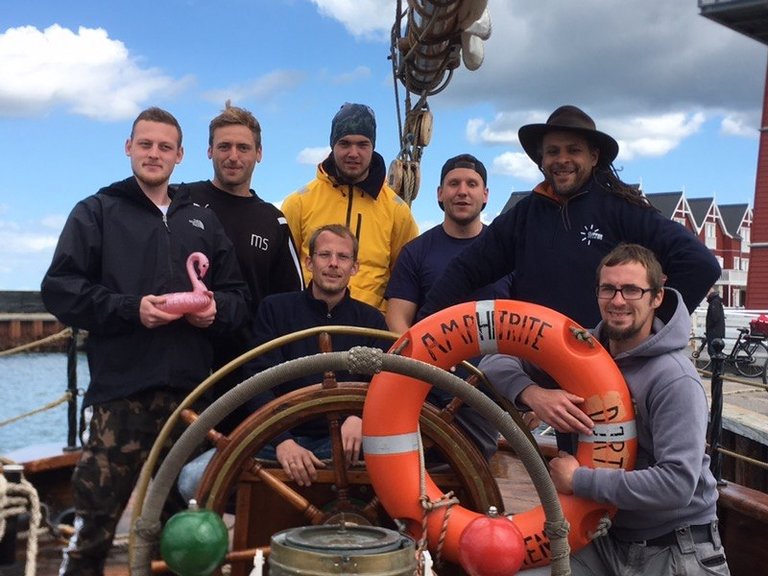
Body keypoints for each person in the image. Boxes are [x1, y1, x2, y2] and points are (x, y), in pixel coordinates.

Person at [41, 107, 250, 576]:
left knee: (189, 530)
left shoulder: (202, 220)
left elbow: (239, 299)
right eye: (145, 144)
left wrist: (216, 312)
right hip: (121, 396)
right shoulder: (96, 211)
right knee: (95, 522)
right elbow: (59, 288)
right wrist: (129, 309)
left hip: (191, 398)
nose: (154, 153)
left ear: (179, 155)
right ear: (129, 147)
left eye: (164, 147)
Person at [483, 244, 730, 575]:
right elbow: (494, 359)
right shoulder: (578, 352)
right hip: (604, 540)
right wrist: (534, 394)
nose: (617, 301)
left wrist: (579, 480)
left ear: (657, 296)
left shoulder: (675, 379)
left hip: (674, 550)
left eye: (631, 290)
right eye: (608, 289)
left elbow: (678, 484)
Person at [419, 105, 720, 328]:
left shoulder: (622, 209)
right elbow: (465, 271)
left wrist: (651, 328)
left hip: (604, 370)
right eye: (552, 152)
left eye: (573, 150)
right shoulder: (522, 216)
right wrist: (420, 330)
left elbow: (700, 265)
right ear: (542, 160)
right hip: (533, 372)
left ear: (593, 157)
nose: (562, 160)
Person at [178, 224, 388, 496]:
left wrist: (361, 418)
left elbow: (386, 385)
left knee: (407, 475)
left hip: (347, 444)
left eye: (343, 257)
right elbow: (257, 380)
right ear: (309, 262)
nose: (333, 264)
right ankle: (253, 523)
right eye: (325, 255)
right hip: (278, 437)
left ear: (355, 267)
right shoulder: (275, 309)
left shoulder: (372, 321)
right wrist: (281, 440)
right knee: (191, 480)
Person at [384, 153, 515, 457]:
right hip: (431, 387)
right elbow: (397, 319)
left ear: (485, 195)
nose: (462, 191)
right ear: (440, 194)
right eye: (453, 184)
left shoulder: (511, 254)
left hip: (494, 386)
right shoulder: (416, 252)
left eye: (472, 184)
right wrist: (425, 362)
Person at [181, 102, 304, 396]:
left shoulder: (273, 222)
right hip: (183, 360)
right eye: (224, 147)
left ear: (258, 154)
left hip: (245, 370)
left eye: (243, 148)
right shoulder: (180, 201)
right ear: (209, 150)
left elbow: (290, 304)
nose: (233, 157)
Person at [281, 103, 419, 313]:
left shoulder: (398, 212)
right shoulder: (298, 203)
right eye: (344, 143)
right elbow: (283, 272)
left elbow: (407, 281)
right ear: (332, 146)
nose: (353, 153)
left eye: (362, 144)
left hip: (371, 330)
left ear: (373, 147)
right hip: (308, 324)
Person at [706, 288, 726, 356]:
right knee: (717, 351)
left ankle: (715, 366)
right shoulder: (717, 301)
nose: (705, 296)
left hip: (714, 331)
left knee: (713, 352)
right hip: (717, 330)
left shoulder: (714, 302)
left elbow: (714, 317)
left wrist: (709, 327)